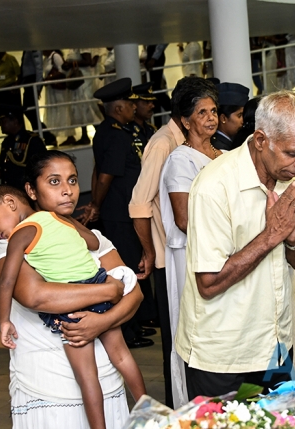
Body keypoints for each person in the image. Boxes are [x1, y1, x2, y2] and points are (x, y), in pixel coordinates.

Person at [176, 90, 295, 398]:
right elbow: (209, 283)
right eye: (293, 153)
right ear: (260, 140)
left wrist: (293, 239)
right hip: (224, 355)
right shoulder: (214, 185)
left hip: (278, 346)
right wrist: (271, 235)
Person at [0, 151, 143, 428]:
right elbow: (36, 296)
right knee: (93, 374)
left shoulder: (86, 234)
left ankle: (147, 410)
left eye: (72, 180)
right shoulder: (9, 243)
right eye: (54, 181)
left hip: (108, 381)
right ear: (31, 191)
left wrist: (102, 322)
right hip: (49, 385)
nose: (67, 190)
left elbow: (135, 294)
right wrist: (109, 292)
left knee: (102, 371)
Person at [128, 76, 201, 408]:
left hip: (190, 252)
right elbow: (139, 203)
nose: (210, 117)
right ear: (186, 113)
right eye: (202, 110)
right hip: (168, 255)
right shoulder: (163, 144)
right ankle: (177, 404)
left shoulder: (192, 142)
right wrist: (149, 251)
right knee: (176, 336)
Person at [78, 78, 156, 350]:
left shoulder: (113, 131)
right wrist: (96, 204)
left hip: (122, 210)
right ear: (119, 108)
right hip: (120, 212)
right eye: (129, 105)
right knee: (127, 270)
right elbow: (105, 176)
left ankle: (137, 322)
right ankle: (127, 330)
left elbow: (99, 171)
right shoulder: (115, 134)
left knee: (132, 265)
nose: (134, 109)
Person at [159, 79, 220, 408]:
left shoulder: (223, 155)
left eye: (214, 111)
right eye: (202, 113)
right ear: (185, 120)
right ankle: (197, 405)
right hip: (193, 254)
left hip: (222, 252)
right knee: (197, 328)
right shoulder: (181, 160)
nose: (211, 118)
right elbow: (183, 219)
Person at [0, 104, 48, 191]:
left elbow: (43, 168)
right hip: (10, 191)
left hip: (26, 191)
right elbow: (5, 171)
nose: (0, 124)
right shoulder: (7, 142)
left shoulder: (32, 140)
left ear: (15, 121)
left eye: (3, 121)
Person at [64, 49, 104, 145]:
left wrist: (71, 64)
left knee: (87, 107)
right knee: (81, 108)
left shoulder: (82, 46)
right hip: (78, 81)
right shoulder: (72, 48)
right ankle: (85, 135)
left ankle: (101, 134)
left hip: (83, 81)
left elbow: (88, 61)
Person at [20, 51, 56, 144]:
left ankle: (46, 136)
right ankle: (43, 135)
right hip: (28, 82)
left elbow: (39, 67)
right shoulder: (27, 49)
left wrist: (38, 86)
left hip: (32, 81)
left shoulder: (33, 48)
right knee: (30, 112)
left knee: (30, 111)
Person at [210, 82, 249, 151]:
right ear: (223, 118)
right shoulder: (219, 147)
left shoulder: (232, 141)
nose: (243, 121)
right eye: (239, 115)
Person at [131, 82, 158, 153]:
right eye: (147, 102)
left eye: (152, 102)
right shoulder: (128, 131)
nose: (152, 106)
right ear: (134, 104)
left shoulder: (151, 129)